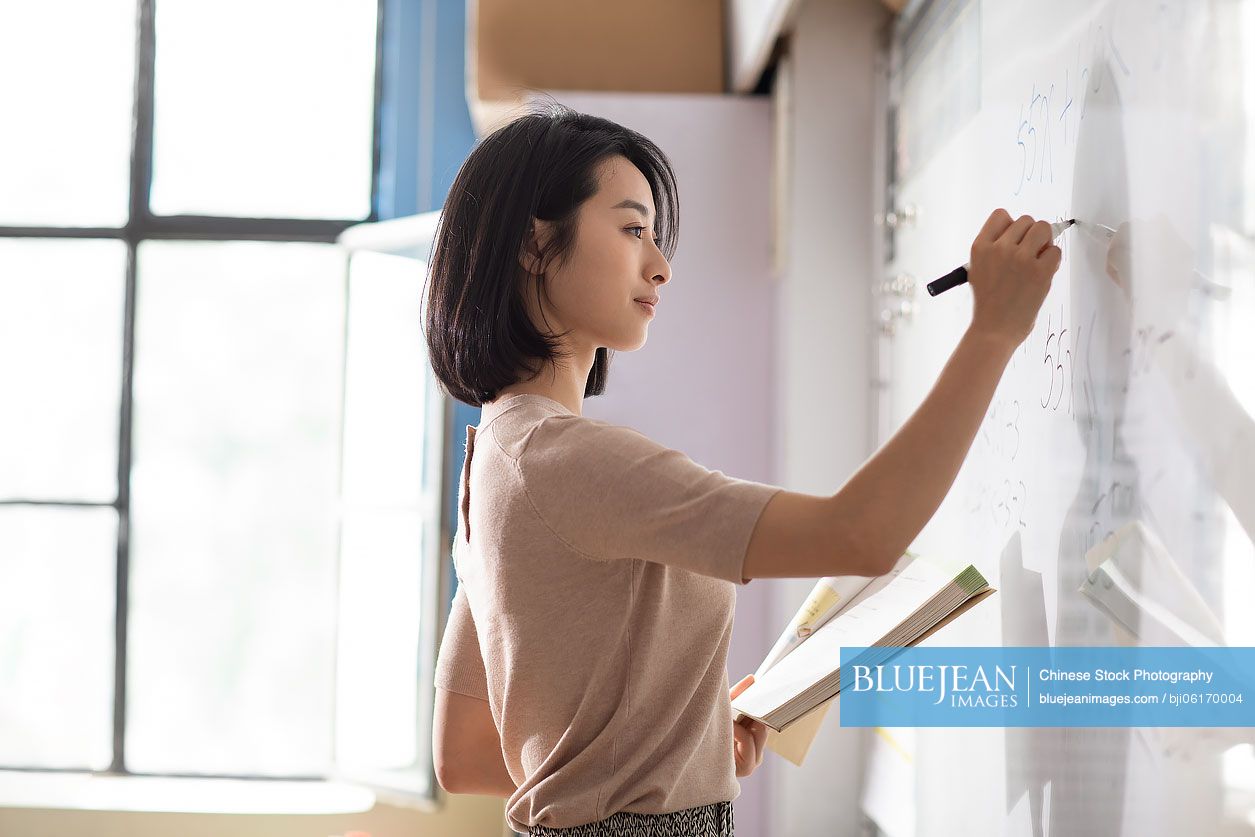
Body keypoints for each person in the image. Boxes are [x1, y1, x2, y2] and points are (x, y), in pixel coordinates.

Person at [428, 101, 1062, 837]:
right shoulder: (572, 461)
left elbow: (467, 753)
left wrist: (680, 745)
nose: (660, 266)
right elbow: (861, 534)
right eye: (633, 229)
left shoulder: (496, 462)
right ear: (535, 245)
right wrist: (993, 330)